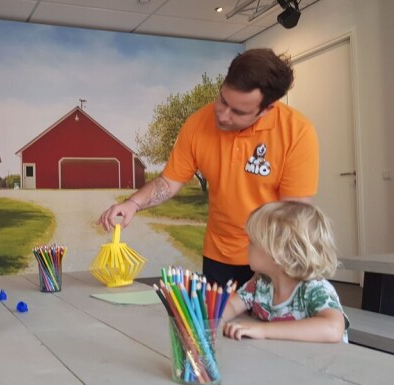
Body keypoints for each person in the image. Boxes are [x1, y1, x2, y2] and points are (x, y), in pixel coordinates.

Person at [97, 48, 319, 288]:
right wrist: (133, 203)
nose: (223, 115)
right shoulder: (197, 124)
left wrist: (267, 271)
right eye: (223, 100)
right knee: (217, 323)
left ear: (267, 109)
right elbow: (169, 182)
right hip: (219, 255)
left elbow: (293, 213)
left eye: (238, 112)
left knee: (265, 325)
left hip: (272, 258)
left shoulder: (297, 132)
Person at [221, 201, 349, 343]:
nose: (247, 247)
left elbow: (333, 328)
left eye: (252, 242)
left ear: (278, 253)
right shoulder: (260, 284)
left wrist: (263, 330)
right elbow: (232, 306)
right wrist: (212, 320)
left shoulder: (315, 289)